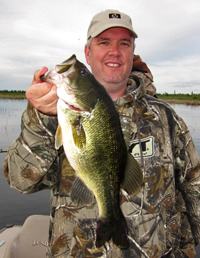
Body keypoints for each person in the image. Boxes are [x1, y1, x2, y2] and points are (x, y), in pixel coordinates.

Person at [4, 9, 200, 258]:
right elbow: (21, 182)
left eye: (124, 43)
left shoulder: (167, 118)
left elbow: (195, 188)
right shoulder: (54, 116)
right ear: (88, 52)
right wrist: (40, 118)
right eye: (104, 42)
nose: (114, 51)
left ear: (132, 52)